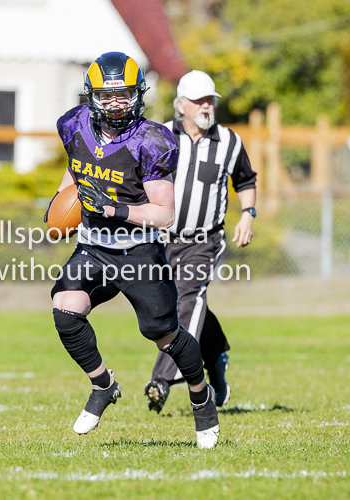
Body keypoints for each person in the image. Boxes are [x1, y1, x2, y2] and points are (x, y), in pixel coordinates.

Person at [48, 52, 219, 449]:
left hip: (138, 250)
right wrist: (62, 201)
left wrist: (113, 208)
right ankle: (103, 385)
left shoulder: (152, 140)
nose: (115, 104)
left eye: (123, 95)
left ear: (138, 95)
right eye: (107, 97)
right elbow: (75, 167)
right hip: (93, 246)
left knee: (163, 335)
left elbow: (164, 214)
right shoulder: (74, 125)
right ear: (91, 96)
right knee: (65, 311)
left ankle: (201, 397)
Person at [144, 70, 257, 413]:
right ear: (181, 105)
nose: (206, 106)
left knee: (187, 300)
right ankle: (216, 353)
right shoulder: (161, 137)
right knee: (167, 305)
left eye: (210, 99)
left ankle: (161, 380)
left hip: (205, 240)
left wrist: (249, 214)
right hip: (163, 239)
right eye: (199, 100)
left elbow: (246, 179)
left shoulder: (229, 141)